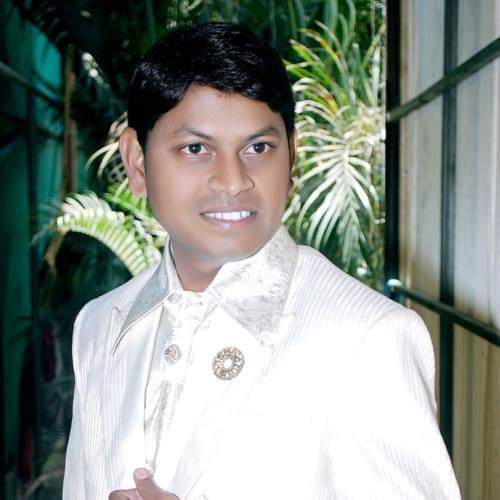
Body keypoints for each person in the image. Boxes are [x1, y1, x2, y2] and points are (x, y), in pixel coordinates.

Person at [62, 21, 461, 500]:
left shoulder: (367, 337)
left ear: (291, 155)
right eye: (195, 148)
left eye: (258, 148)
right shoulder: (99, 326)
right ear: (137, 162)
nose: (234, 181)